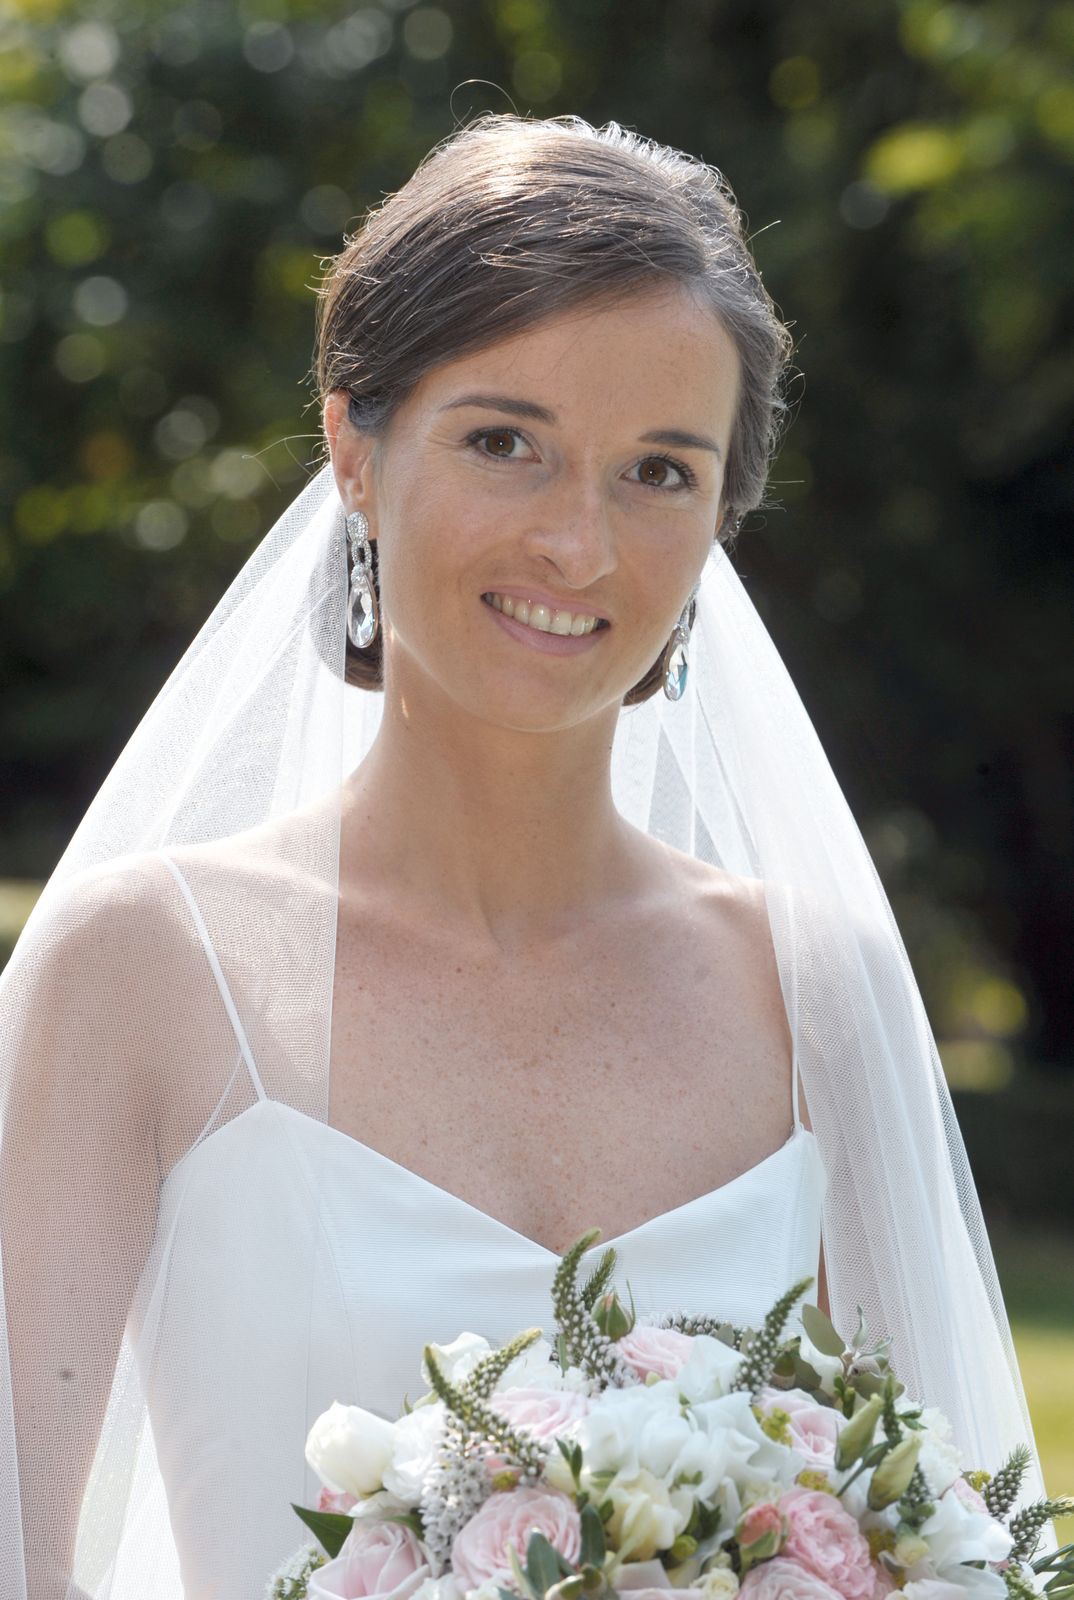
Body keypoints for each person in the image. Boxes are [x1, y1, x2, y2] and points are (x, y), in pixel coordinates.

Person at [0, 112, 1053, 1600]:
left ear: (721, 517)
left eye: (658, 471)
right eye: (505, 442)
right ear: (352, 447)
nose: (577, 545)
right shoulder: (149, 971)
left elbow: (949, 1539)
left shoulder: (811, 988)